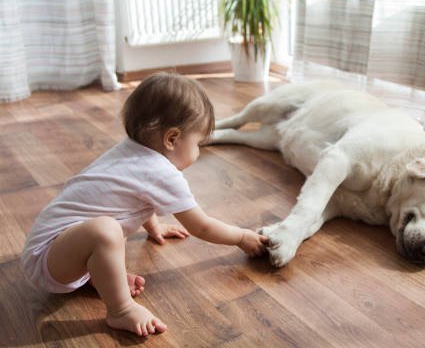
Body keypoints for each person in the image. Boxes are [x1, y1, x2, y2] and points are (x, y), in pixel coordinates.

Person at [21, 72, 268, 336]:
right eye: (198, 143)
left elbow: (137, 198)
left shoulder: (130, 150)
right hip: (48, 262)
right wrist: (241, 237)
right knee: (106, 230)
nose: (198, 151)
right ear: (172, 139)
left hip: (56, 248)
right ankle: (121, 310)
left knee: (106, 230)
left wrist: (154, 226)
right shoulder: (161, 172)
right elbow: (202, 227)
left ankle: (100, 274)